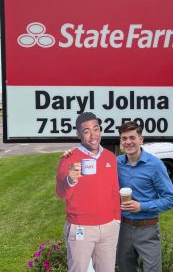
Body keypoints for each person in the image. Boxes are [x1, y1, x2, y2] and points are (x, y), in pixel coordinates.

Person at [56, 112, 120, 272]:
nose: (93, 135)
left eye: (96, 129)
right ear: (78, 134)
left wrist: (116, 221)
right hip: (81, 228)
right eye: (86, 131)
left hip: (108, 228)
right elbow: (60, 193)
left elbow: (114, 191)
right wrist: (70, 179)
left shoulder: (110, 157)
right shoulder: (68, 158)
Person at [117, 121, 173, 272]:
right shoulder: (116, 163)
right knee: (126, 268)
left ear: (141, 140)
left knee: (153, 269)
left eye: (132, 137)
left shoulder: (155, 165)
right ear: (120, 141)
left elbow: (171, 199)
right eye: (124, 138)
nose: (128, 142)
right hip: (122, 228)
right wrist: (70, 157)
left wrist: (141, 206)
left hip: (147, 227)